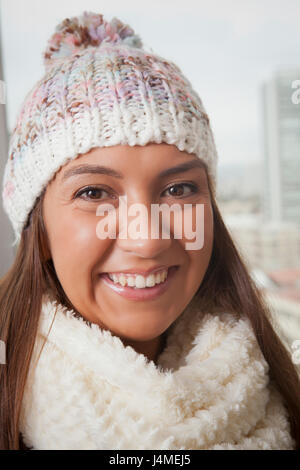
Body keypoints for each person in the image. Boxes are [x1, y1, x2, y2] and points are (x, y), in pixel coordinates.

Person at [0, 11, 299, 450]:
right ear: (39, 231)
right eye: (95, 192)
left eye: (179, 189)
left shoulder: (284, 388)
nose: (148, 239)